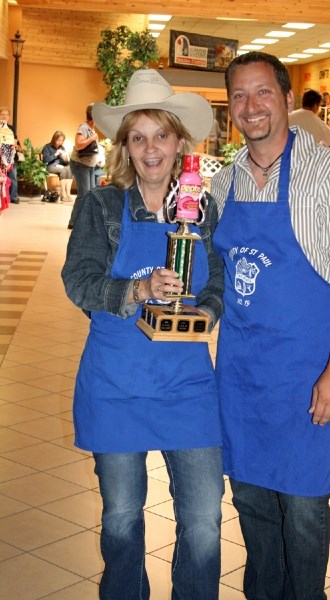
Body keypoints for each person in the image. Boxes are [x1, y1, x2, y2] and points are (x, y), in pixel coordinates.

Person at [210, 52, 330, 600]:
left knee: (304, 508)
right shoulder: (222, 184)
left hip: (306, 376)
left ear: (286, 99)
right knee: (253, 503)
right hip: (239, 376)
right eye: (239, 95)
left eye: (262, 93)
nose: (251, 106)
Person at [61, 68, 224, 600]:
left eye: (161, 135)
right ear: (124, 146)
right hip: (115, 383)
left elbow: (217, 280)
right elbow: (78, 280)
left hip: (188, 385)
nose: (150, 149)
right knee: (122, 521)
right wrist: (135, 290)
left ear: (179, 142)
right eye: (138, 137)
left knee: (202, 524)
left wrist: (203, 311)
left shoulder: (204, 211)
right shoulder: (101, 206)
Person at [68, 103, 99, 228]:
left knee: (90, 194)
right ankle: (73, 222)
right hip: (80, 164)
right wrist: (93, 138)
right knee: (84, 194)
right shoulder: (83, 127)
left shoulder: (91, 129)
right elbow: (79, 145)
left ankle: (84, 222)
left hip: (89, 165)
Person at [42, 130, 74, 202]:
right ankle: (63, 194)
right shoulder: (47, 147)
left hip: (60, 165)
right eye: (59, 140)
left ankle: (68, 193)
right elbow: (46, 160)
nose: (60, 142)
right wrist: (55, 154)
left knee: (69, 169)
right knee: (63, 170)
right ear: (54, 139)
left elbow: (65, 163)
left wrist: (66, 159)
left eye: (62, 140)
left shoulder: (62, 148)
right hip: (50, 166)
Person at [0, 107, 19, 204]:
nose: (4, 116)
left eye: (6, 114)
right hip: (0, 156)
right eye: (2, 114)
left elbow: (15, 142)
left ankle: (14, 197)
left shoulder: (11, 128)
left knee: (13, 176)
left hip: (10, 156)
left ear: (9, 117)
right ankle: (2, 198)